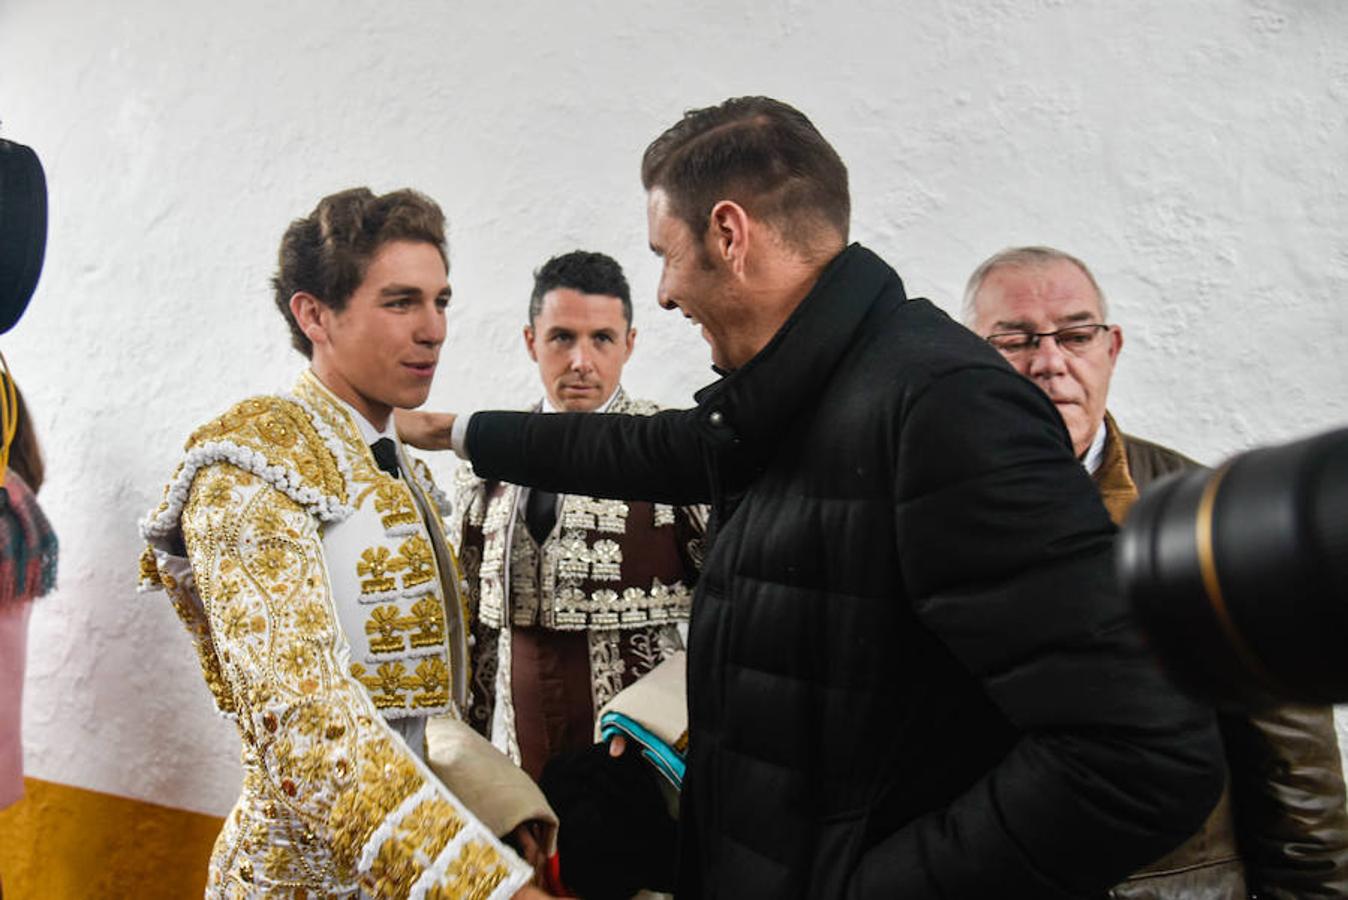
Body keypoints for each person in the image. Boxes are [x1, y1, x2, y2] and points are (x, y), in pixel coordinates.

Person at [396, 96, 1225, 898]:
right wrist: (455, 428)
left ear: (730, 233)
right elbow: (652, 447)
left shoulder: (942, 405)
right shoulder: (805, 392)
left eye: (663, 253)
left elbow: (1141, 755)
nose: (664, 292)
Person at [138, 188, 556, 898]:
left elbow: (422, 709)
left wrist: (486, 801)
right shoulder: (249, 464)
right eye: (401, 302)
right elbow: (305, 725)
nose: (434, 330)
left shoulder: (403, 468)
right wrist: (483, 885)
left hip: (423, 856)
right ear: (314, 315)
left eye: (441, 301)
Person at [965, 244, 1348, 898]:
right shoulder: (908, 511)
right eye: (1015, 341)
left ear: (1111, 349)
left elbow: (1296, 771)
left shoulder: (1204, 513)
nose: (1049, 362)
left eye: (1076, 335)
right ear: (962, 361)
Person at [452, 249, 704, 782]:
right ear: (530, 342)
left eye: (602, 338)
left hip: (644, 762)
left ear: (630, 343)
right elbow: (473, 629)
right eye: (562, 337)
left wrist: (670, 717)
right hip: (519, 761)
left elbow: (733, 611)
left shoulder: (672, 453)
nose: (581, 361)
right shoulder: (487, 464)